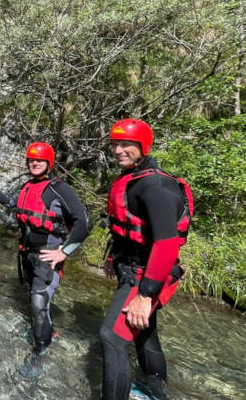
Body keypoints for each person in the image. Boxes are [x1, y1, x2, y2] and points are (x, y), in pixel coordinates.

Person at [0, 142, 90, 378]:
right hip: (27, 254)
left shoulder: (60, 188)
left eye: (39, 160)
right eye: (31, 160)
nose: (34, 163)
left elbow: (84, 222)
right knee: (33, 298)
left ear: (49, 162)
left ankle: (40, 355)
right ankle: (47, 331)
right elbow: (10, 203)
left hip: (48, 256)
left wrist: (64, 252)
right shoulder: (28, 186)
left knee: (39, 302)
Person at [99, 119, 194, 400]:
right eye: (115, 144)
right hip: (133, 269)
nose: (118, 150)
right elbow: (130, 229)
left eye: (126, 144)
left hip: (147, 276)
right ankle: (155, 389)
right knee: (144, 331)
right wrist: (113, 256)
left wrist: (144, 295)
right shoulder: (133, 179)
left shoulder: (156, 186)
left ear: (143, 147)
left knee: (112, 338)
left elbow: (166, 244)